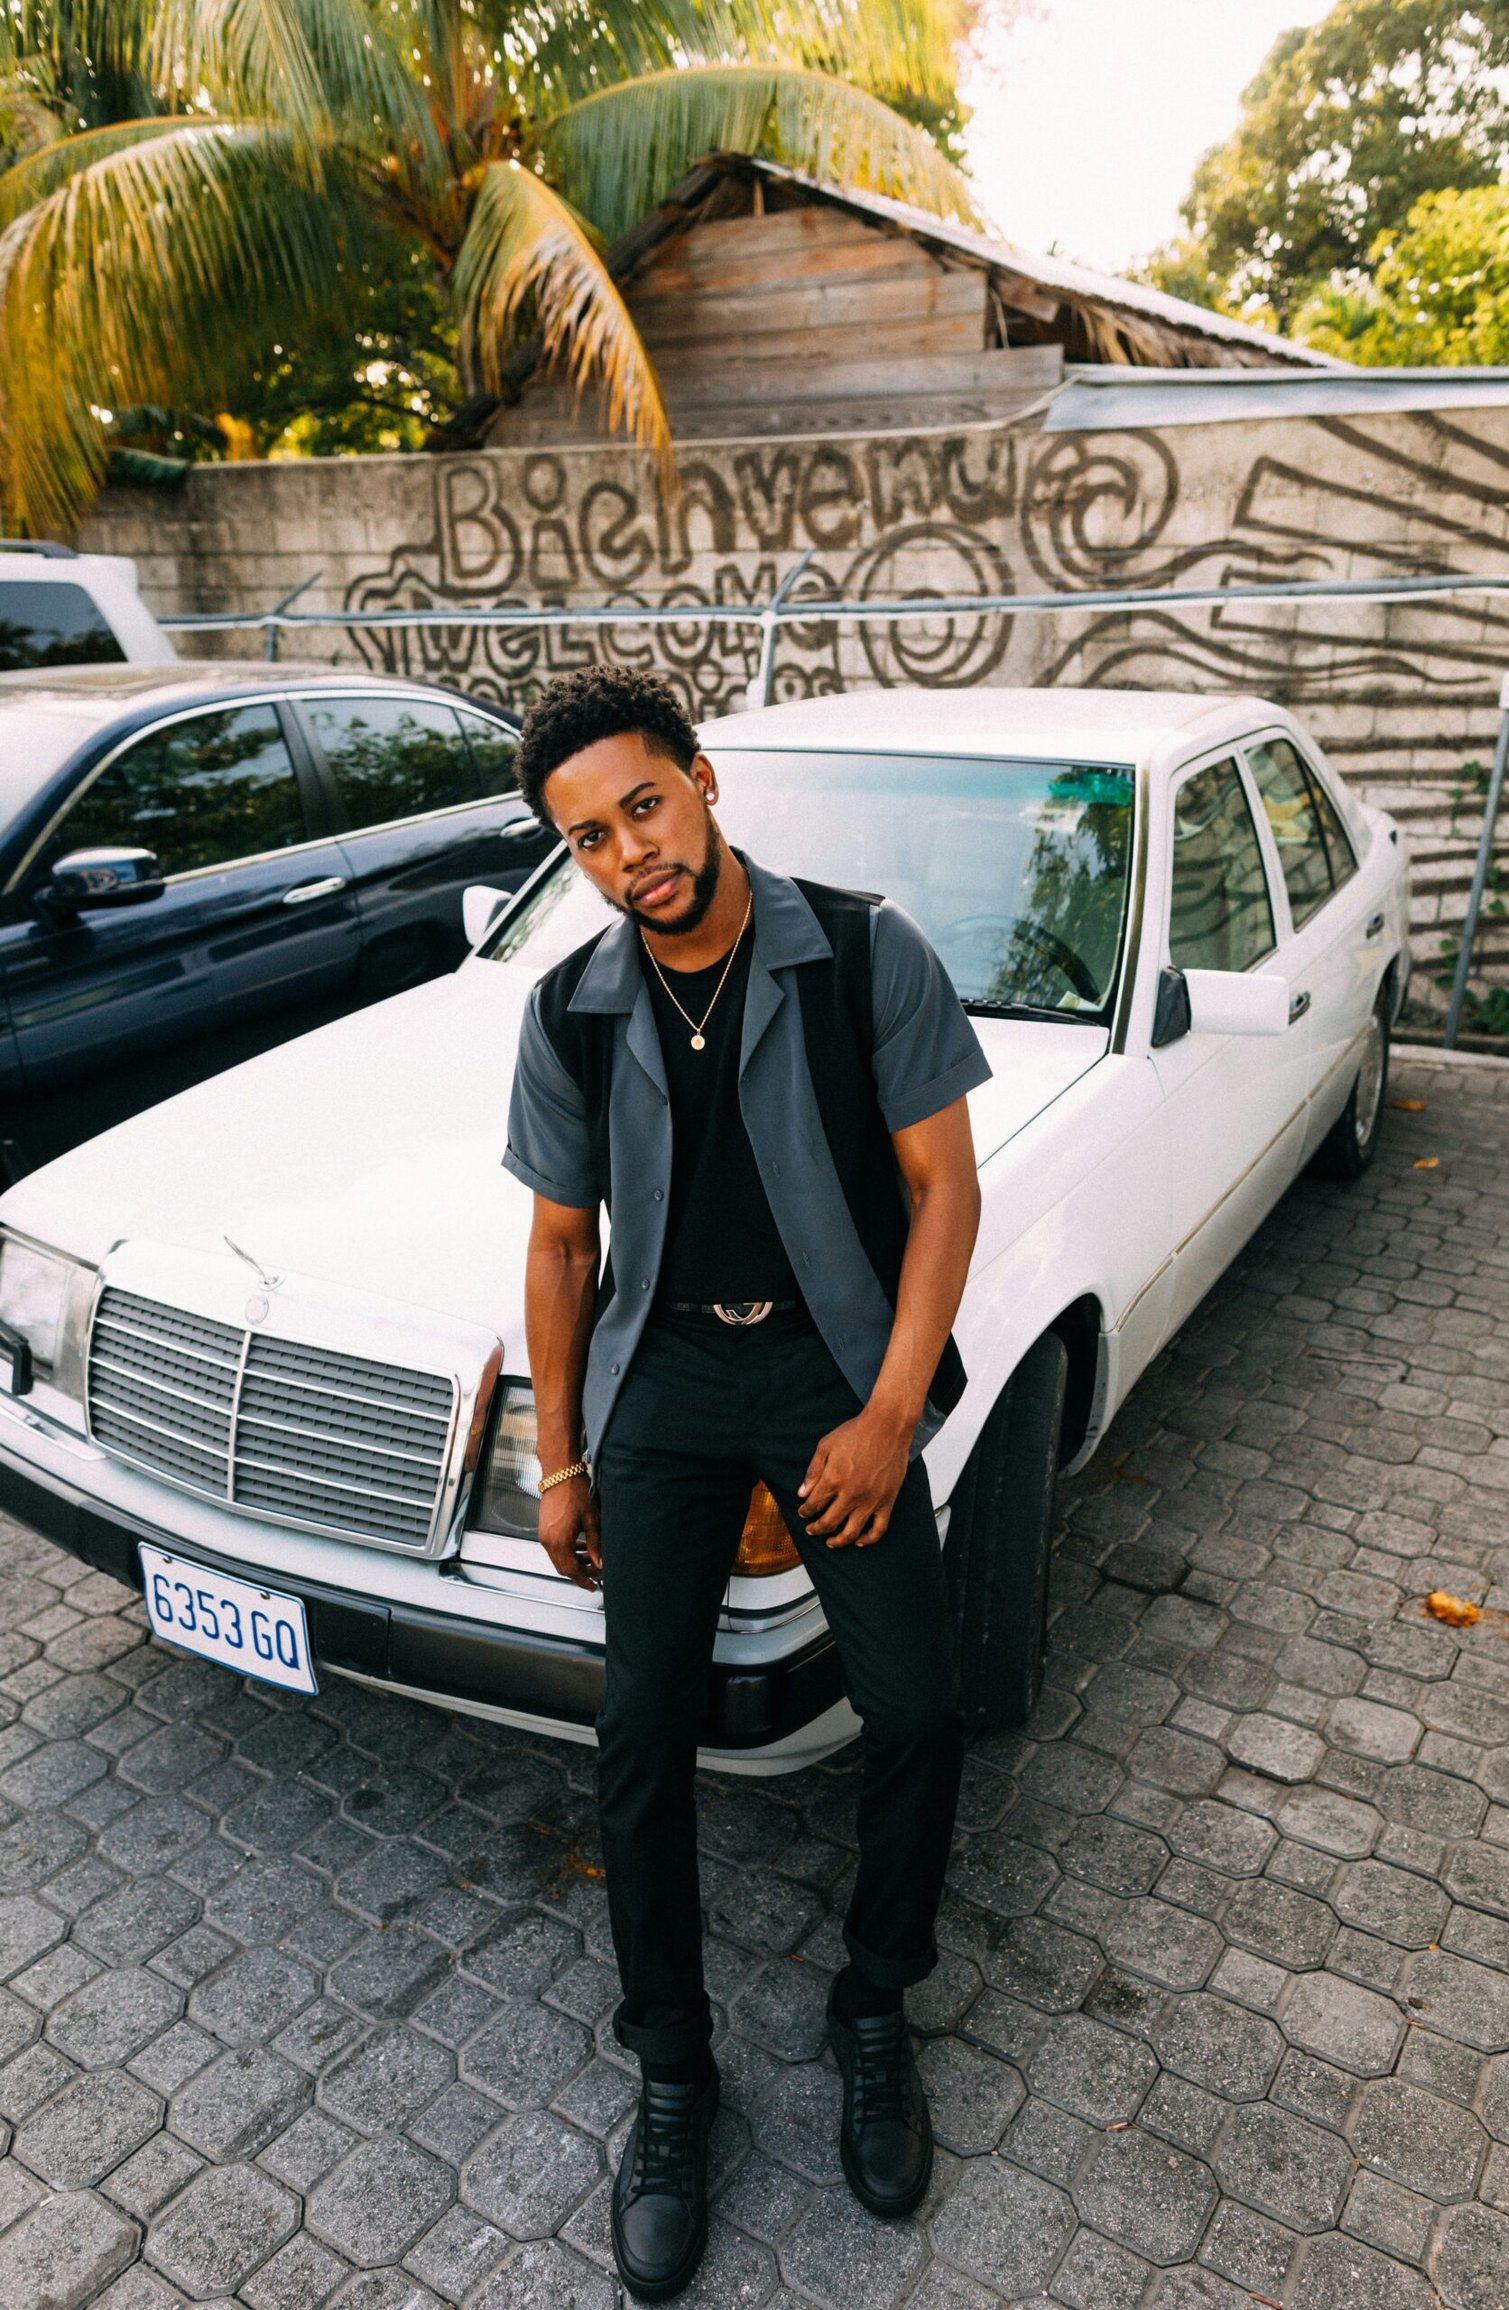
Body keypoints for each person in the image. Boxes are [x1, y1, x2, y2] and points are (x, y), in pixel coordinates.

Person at [503, 665, 989, 2303]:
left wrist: (889, 1410)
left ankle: (873, 2003)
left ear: (703, 782)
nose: (627, 851)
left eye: (641, 804)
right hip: (665, 1386)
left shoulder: (862, 951)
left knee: (917, 1704)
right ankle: (674, 2073)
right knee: (638, 1730)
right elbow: (563, 1245)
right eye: (586, 836)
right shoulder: (570, 1007)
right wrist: (556, 1451)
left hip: (833, 1365)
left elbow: (943, 1193)